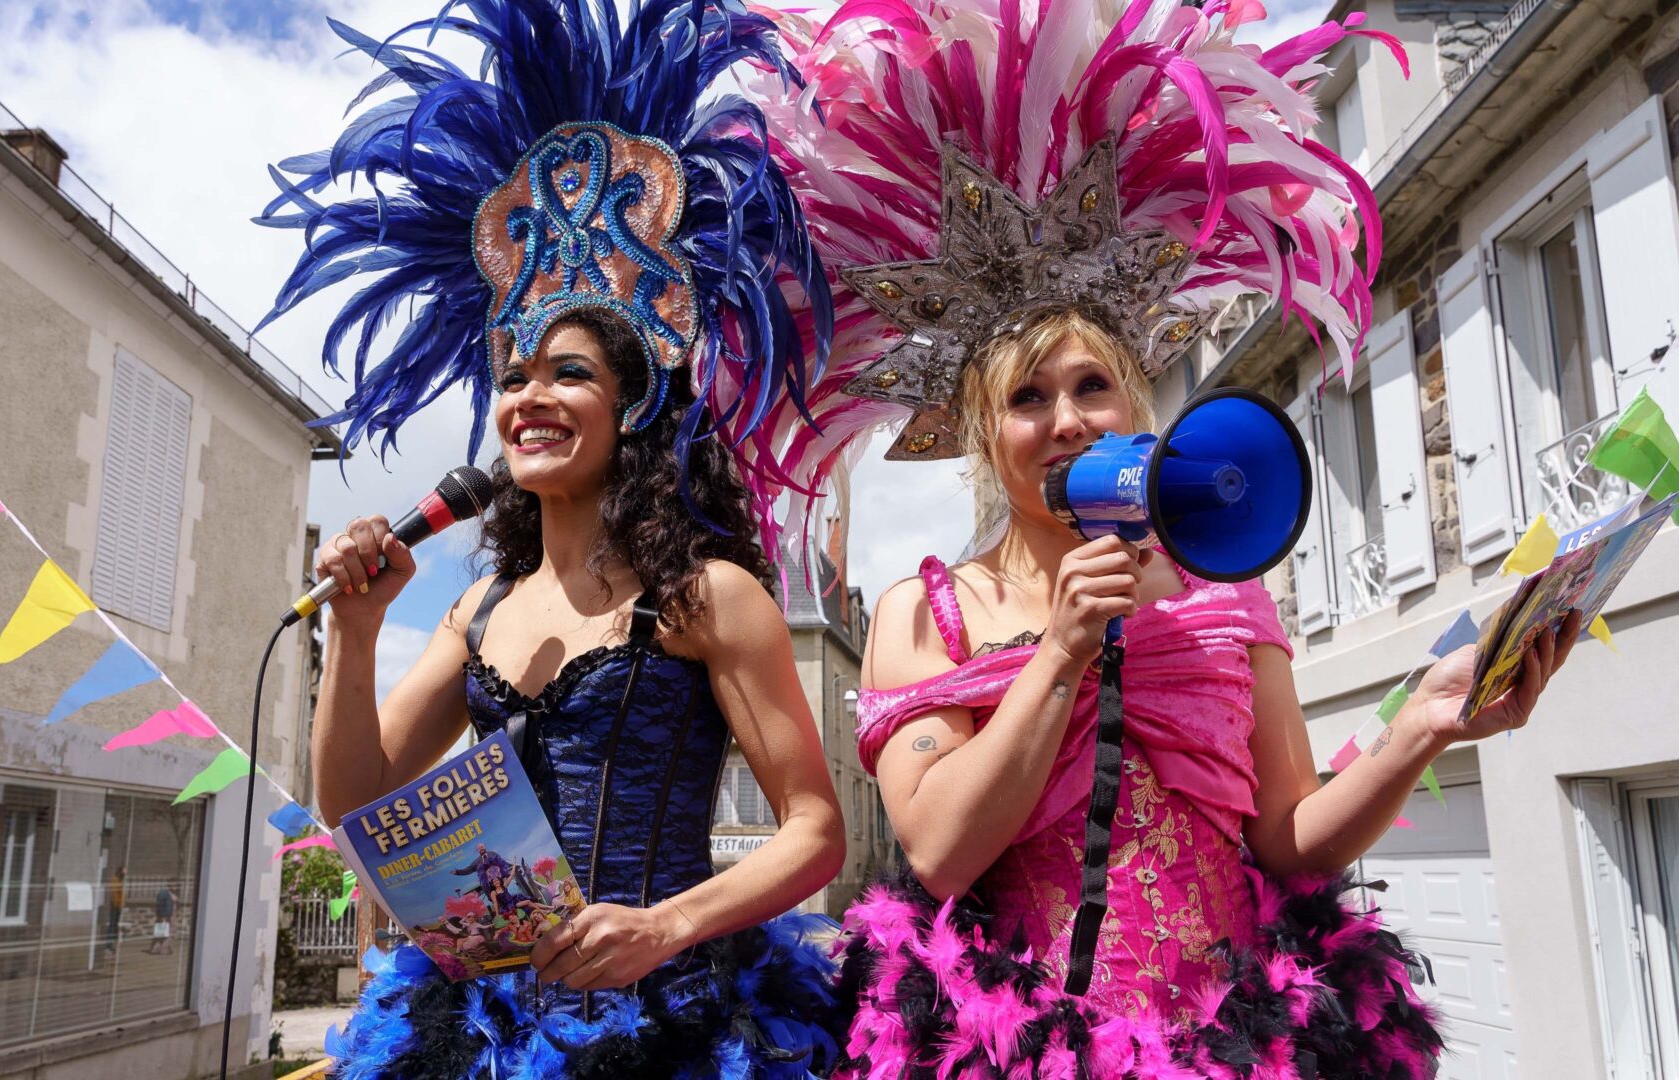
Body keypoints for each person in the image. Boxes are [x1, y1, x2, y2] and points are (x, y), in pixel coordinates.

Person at [742, 2, 1581, 1076]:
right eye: (1027, 398)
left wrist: (1422, 727)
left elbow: (1288, 838)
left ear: (1134, 405)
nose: (1066, 419)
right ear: (983, 438)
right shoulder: (927, 612)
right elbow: (940, 853)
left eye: (1092, 386)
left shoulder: (1223, 592)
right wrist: (1060, 653)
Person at [260, 1, 849, 1073]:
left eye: (568, 374)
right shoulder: (479, 609)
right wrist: (355, 629)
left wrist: (666, 926)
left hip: (668, 1022)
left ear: (634, 405)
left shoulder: (708, 596)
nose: (529, 398)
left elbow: (816, 830)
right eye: (514, 377)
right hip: (484, 1030)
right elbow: (355, 807)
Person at [148, 881, 173, 956]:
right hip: (164, 915)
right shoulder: (164, 893)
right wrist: (162, 915)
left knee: (165, 933)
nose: (174, 886)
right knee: (161, 933)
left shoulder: (172, 893)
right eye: (172, 884)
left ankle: (163, 949)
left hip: (170, 915)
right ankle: (157, 949)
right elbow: (160, 904)